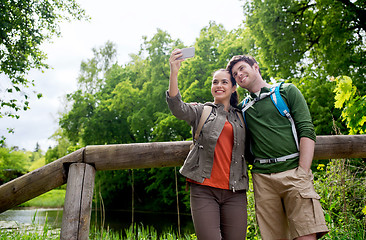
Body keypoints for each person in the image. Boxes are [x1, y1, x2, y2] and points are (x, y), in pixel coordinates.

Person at [226, 55, 329, 240]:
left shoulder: (286, 91)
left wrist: (303, 172)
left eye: (242, 68)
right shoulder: (242, 108)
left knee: (306, 234)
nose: (239, 74)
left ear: (255, 67)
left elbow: (306, 130)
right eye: (235, 74)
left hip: (295, 173)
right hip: (263, 180)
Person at [166, 49, 249, 240]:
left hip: (235, 192)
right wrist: (174, 72)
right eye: (215, 82)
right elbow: (177, 107)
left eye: (224, 82)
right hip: (203, 189)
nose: (219, 85)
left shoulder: (244, 115)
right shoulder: (201, 111)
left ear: (234, 88)